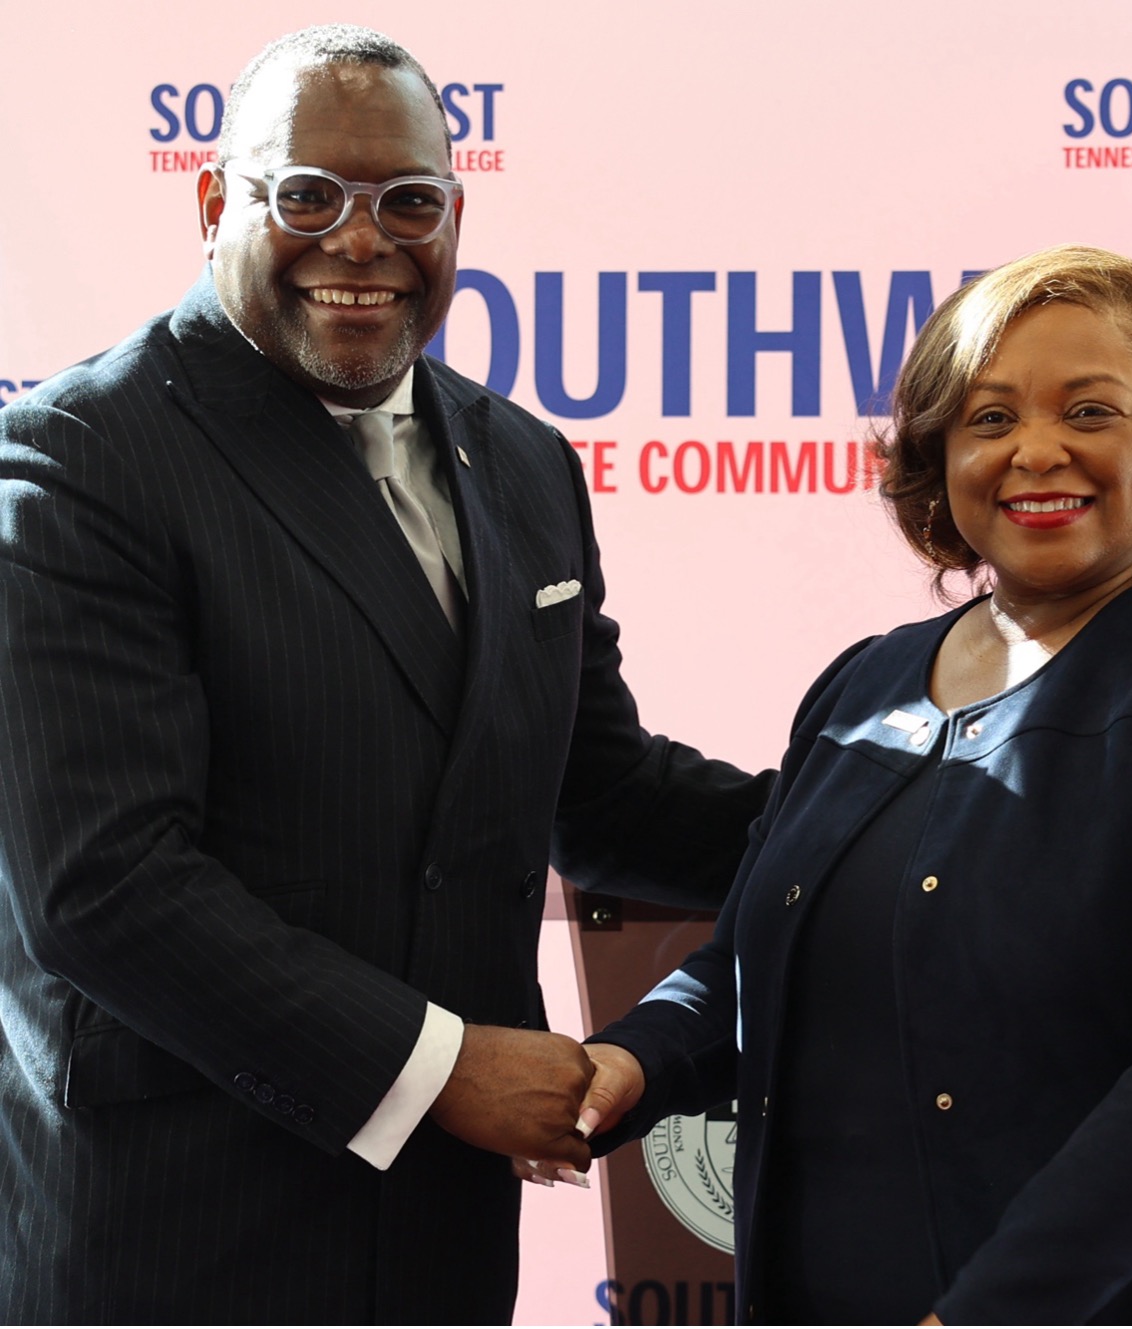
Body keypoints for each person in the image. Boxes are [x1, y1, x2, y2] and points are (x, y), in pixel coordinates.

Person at [0, 25, 768, 1326]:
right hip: (166, 1236)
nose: (361, 244)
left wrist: (881, 823)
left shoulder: (520, 461)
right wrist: (444, 1069)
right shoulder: (81, 458)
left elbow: (598, 791)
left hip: (435, 1237)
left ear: (454, 217)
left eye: (408, 202)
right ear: (212, 203)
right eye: (305, 195)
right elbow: (105, 885)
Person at [576, 246, 1132, 1325]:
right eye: (990, 420)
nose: (1037, 451)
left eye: (1089, 411)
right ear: (940, 456)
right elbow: (758, 965)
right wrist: (635, 1060)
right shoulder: (867, 680)